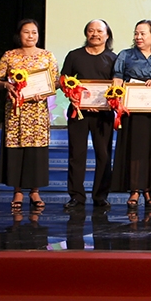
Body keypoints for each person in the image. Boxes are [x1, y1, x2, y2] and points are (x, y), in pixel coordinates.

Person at [0, 19, 58, 212]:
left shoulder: (47, 56)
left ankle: (35, 191)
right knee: (16, 148)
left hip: (37, 111)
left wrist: (44, 92)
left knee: (36, 152)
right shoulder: (10, 56)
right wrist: (6, 85)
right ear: (19, 35)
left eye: (34, 32)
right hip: (16, 111)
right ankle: (18, 191)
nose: (30, 36)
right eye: (26, 32)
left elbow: (56, 82)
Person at [61, 19, 117, 211]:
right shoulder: (74, 56)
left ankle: (100, 196)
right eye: (91, 31)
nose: (95, 34)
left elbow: (118, 87)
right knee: (77, 155)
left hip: (104, 114)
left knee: (103, 155)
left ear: (107, 35)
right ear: (86, 34)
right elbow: (63, 81)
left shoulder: (113, 58)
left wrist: (102, 103)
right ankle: (76, 196)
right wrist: (76, 98)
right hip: (78, 112)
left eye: (99, 31)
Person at [111, 20, 151, 208]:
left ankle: (149, 190)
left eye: (143, 34)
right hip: (131, 110)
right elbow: (117, 78)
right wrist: (117, 97)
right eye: (136, 34)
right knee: (134, 150)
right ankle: (134, 190)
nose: (138, 37)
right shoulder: (125, 55)